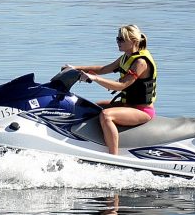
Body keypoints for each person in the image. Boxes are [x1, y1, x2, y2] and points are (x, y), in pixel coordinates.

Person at [63, 24, 157, 155]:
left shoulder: (140, 62)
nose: (118, 41)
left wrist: (94, 78)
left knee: (106, 115)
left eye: (122, 39)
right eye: (117, 38)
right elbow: (103, 69)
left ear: (133, 41)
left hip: (142, 110)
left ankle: (113, 156)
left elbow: (122, 85)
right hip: (127, 104)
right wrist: (75, 68)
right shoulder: (126, 57)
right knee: (92, 107)